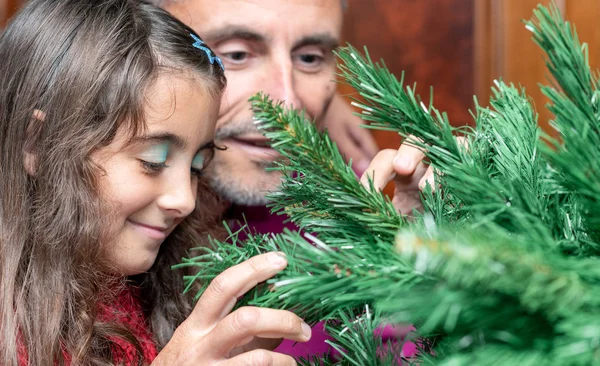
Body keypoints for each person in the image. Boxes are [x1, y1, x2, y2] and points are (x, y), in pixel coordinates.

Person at [0, 0, 311, 364]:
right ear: (37, 143)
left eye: (196, 168)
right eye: (154, 161)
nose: (185, 200)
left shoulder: (149, 295)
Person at [150, 0, 430, 360]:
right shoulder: (98, 216)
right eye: (236, 55)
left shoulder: (355, 201)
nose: (287, 101)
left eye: (310, 58)